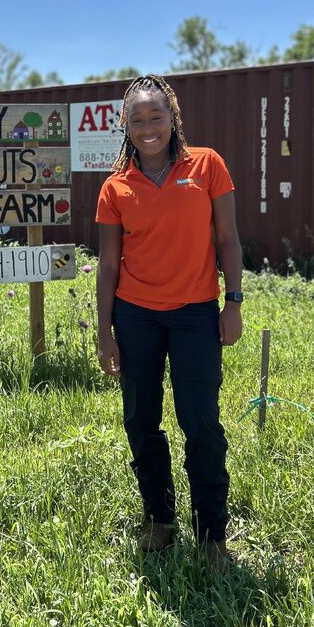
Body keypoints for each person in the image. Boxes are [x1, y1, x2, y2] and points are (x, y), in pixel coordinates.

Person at [95, 73, 243, 570]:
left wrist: (233, 302)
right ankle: (160, 520)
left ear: (172, 117)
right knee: (141, 420)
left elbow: (228, 239)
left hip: (195, 315)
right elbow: (108, 265)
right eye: (137, 119)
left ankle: (212, 536)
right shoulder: (115, 186)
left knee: (200, 421)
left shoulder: (207, 165)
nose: (147, 127)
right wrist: (104, 333)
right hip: (135, 316)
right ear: (126, 126)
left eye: (156, 116)